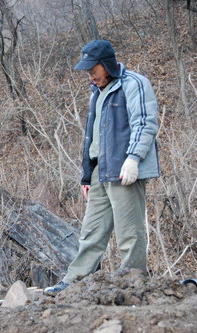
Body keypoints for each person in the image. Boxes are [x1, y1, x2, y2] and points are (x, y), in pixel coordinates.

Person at [44, 40, 160, 295]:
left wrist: (133, 159)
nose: (90, 75)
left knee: (129, 232)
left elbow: (145, 123)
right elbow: (93, 136)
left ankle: (134, 284)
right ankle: (74, 282)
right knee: (91, 231)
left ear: (106, 64)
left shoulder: (134, 83)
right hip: (100, 170)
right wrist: (87, 175)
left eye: (93, 69)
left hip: (125, 169)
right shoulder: (97, 91)